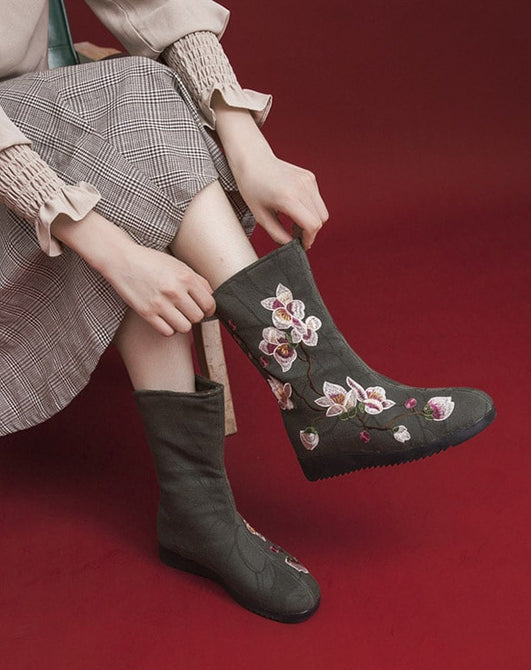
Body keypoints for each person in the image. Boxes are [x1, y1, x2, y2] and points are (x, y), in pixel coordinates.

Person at [0, 0, 495, 623]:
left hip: (30, 119)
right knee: (126, 118)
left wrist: (249, 146)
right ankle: (317, 398)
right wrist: (119, 256)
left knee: (138, 98)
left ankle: (211, 491)